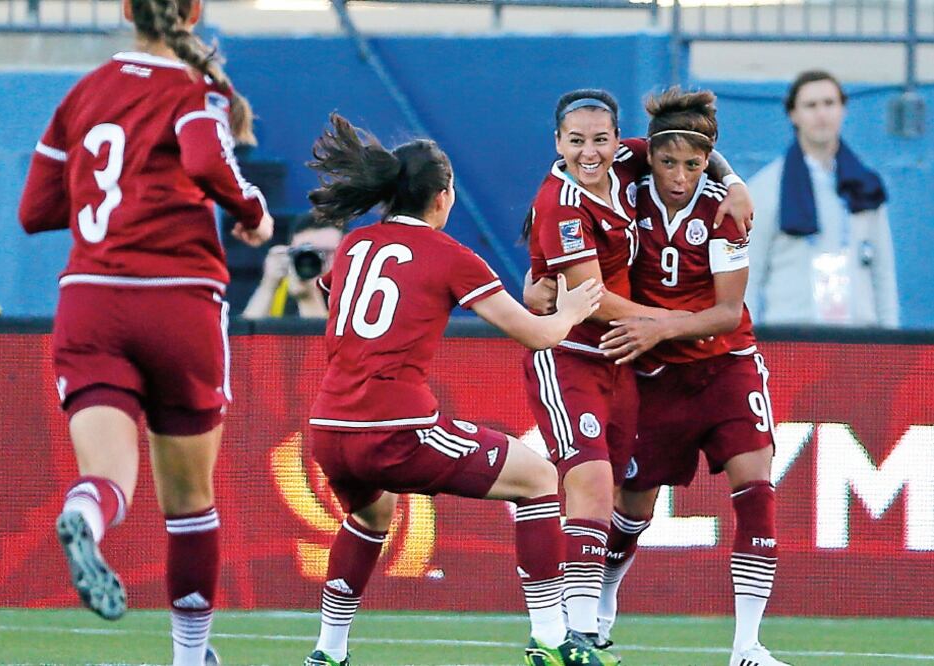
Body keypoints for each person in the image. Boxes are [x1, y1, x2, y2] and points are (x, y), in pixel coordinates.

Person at [301, 113, 611, 666]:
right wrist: (568, 312)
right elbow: (536, 336)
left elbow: (340, 299)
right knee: (539, 477)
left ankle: (327, 652)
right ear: (444, 196)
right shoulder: (449, 255)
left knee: (372, 517)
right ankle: (550, 638)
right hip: (395, 427)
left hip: (329, 428)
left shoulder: (354, 245)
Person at [17, 0, 273, 662]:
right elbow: (204, 160)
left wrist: (113, 196)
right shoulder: (195, 88)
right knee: (189, 500)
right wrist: (252, 210)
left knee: (107, 475)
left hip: (90, 301)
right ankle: (190, 656)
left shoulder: (83, 93)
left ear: (128, 12)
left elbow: (34, 210)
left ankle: (86, 515)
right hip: (177, 300)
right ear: (193, 13)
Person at [519, 88, 754, 653]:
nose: (591, 152)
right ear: (558, 143)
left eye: (600, 139)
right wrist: (676, 322)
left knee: (624, 497)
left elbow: (694, 149)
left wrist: (737, 183)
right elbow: (591, 298)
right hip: (570, 354)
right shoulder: (560, 205)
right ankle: (566, 632)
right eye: (576, 142)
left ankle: (583, 624)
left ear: (619, 140)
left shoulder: (630, 158)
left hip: (623, 362)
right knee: (592, 482)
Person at [592, 87, 789, 666]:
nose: (679, 175)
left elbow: (729, 312)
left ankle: (747, 645)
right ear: (648, 154)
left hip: (726, 364)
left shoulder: (723, 211)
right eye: (668, 161)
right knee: (632, 508)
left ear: (708, 163)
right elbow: (579, 165)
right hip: (654, 374)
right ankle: (603, 609)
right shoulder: (624, 182)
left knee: (756, 489)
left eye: (694, 164)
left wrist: (656, 325)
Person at [746, 70, 899, 328]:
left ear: (843, 110)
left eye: (829, 103)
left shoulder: (865, 185)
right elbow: (750, 275)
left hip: (860, 339)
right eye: (810, 105)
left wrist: (891, 338)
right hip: (791, 337)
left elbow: (883, 272)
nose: (821, 114)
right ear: (793, 114)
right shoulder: (765, 187)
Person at [242, 213, 342, 318]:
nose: (314, 260)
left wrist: (307, 298)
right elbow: (246, 332)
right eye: (305, 253)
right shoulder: (283, 289)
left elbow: (329, 333)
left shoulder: (352, 292)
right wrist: (268, 285)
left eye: (327, 252)